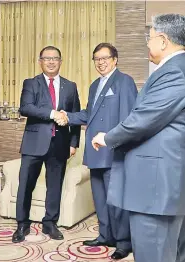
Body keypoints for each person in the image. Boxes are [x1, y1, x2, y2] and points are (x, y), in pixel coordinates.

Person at [92, 14, 185, 262]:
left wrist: (108, 137)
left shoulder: (175, 71)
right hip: (164, 180)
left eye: (150, 37)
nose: (147, 43)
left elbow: (145, 117)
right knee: (170, 250)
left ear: (163, 40)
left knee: (153, 251)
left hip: (155, 185)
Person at [56, 43, 137, 260]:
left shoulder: (124, 81)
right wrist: (67, 116)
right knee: (99, 197)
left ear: (115, 59)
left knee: (117, 200)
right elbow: (88, 115)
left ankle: (123, 242)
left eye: (105, 58)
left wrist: (121, 147)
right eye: (97, 59)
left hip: (114, 150)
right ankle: (105, 235)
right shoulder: (94, 85)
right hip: (94, 151)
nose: (100, 62)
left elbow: (129, 119)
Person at [12, 46, 81, 243]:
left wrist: (73, 142)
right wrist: (52, 114)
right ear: (40, 61)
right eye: (47, 58)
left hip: (59, 144)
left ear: (61, 61)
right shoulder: (31, 83)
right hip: (34, 143)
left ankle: (50, 223)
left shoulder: (70, 86)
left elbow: (74, 115)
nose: (51, 62)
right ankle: (22, 225)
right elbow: (25, 108)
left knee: (55, 186)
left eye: (55, 58)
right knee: (25, 185)